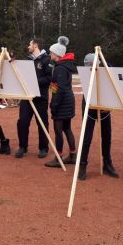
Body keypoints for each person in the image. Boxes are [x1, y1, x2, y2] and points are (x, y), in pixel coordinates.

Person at [78, 53, 119, 180]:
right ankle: (82, 165)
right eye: (87, 65)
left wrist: (103, 63)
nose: (89, 67)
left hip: (104, 106)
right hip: (89, 105)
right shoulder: (86, 73)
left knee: (107, 135)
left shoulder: (106, 70)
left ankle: (107, 163)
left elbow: (113, 76)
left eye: (91, 65)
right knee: (87, 137)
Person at [15, 38, 52, 159]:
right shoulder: (27, 59)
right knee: (22, 122)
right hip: (27, 96)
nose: (28, 46)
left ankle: (43, 148)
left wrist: (33, 81)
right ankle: (22, 146)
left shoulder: (47, 60)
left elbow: (48, 79)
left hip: (40, 97)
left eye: (30, 44)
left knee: (42, 123)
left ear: (35, 45)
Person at [45, 36, 78, 168]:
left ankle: (58, 158)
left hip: (62, 103)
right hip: (68, 101)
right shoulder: (64, 66)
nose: (50, 54)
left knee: (58, 130)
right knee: (67, 128)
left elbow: (59, 90)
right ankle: (72, 155)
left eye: (52, 52)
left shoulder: (60, 68)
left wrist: (54, 105)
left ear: (57, 54)